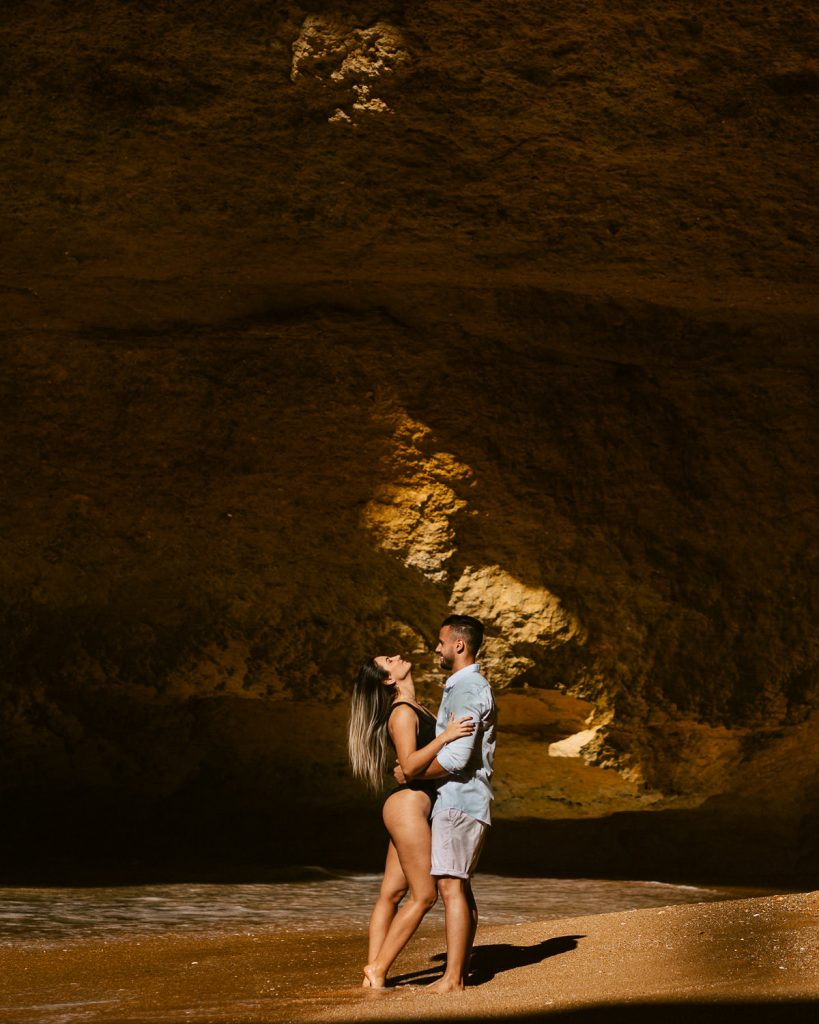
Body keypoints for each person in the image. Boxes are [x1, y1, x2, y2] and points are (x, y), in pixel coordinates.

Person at [348, 653, 474, 988]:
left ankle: (373, 974)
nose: (399, 656)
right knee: (424, 895)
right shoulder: (402, 713)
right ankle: (377, 969)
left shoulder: (417, 709)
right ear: (388, 679)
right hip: (409, 807)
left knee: (391, 892)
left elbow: (407, 768)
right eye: (390, 659)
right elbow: (411, 764)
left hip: (410, 805)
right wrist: (446, 736)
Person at [394, 614, 496, 992]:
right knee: (460, 886)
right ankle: (459, 971)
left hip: (459, 800)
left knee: (451, 887)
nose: (436, 648)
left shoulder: (468, 688)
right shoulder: (465, 686)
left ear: (459, 645)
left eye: (440, 641)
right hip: (466, 801)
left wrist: (412, 773)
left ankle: (452, 979)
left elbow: (457, 758)